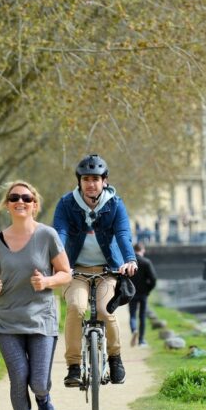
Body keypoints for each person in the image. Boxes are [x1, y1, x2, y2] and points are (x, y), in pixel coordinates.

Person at [0, 181, 71, 410]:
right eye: (14, 197)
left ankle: (43, 398)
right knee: (19, 377)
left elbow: (66, 273)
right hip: (8, 320)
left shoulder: (47, 236)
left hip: (41, 319)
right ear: (7, 204)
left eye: (26, 197)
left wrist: (46, 282)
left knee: (37, 382)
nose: (20, 201)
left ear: (35, 204)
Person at [52, 154, 137, 388]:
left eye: (96, 179)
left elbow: (122, 235)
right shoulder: (66, 203)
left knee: (103, 310)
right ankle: (74, 366)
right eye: (86, 179)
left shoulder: (115, 205)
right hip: (75, 270)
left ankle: (115, 358)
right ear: (79, 181)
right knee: (76, 307)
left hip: (107, 270)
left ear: (105, 181)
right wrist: (55, 259)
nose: (91, 184)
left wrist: (129, 259)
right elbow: (60, 233)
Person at [128, 241, 157, 347]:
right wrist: (148, 289)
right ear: (142, 250)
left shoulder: (129, 263)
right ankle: (141, 340)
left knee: (132, 315)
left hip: (131, 293)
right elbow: (153, 279)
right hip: (143, 293)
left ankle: (134, 329)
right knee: (142, 316)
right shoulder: (146, 262)